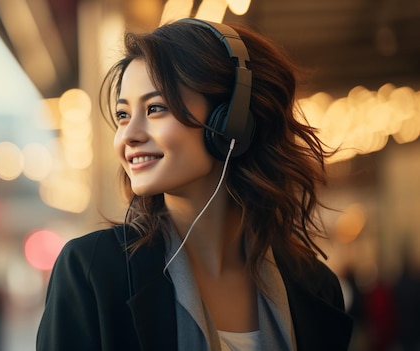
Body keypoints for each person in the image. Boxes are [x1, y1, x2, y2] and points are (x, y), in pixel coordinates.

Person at [37, 18, 353, 351]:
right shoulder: (93, 271)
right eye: (123, 115)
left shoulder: (315, 286)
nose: (128, 135)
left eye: (155, 108)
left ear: (232, 122)